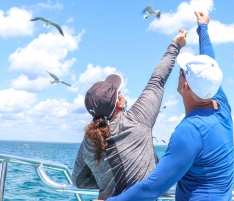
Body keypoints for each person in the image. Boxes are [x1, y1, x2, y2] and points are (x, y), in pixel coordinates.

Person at [103, 11, 234, 201]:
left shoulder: (190, 131)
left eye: (182, 72)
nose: (179, 75)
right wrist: (202, 26)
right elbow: (209, 60)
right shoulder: (221, 106)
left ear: (184, 86)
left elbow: (151, 189)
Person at [71, 30, 187, 200]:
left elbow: (78, 181)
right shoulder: (137, 120)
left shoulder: (88, 141)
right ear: (119, 103)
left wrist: (107, 184)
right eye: (121, 93)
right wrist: (175, 45)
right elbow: (158, 80)